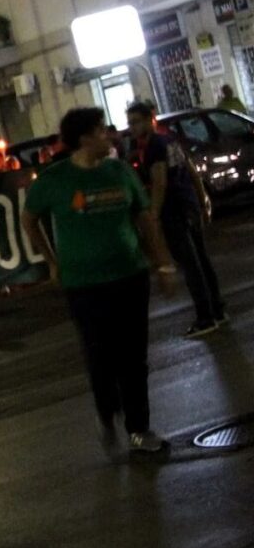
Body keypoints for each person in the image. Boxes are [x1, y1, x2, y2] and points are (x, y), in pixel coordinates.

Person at [22, 107, 176, 457]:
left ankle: (139, 429)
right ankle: (107, 412)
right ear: (84, 138)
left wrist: (163, 264)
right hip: (84, 284)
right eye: (102, 130)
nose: (110, 135)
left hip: (130, 276)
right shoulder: (55, 179)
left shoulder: (119, 171)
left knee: (134, 356)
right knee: (100, 355)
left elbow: (145, 220)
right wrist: (51, 261)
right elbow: (29, 219)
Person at [127, 101, 225, 337]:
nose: (132, 128)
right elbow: (190, 169)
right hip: (188, 204)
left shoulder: (154, 146)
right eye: (130, 123)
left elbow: (160, 181)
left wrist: (154, 215)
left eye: (136, 122)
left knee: (190, 264)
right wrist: (202, 199)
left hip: (174, 209)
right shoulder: (169, 139)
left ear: (150, 119)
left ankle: (205, 317)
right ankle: (218, 309)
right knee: (201, 259)